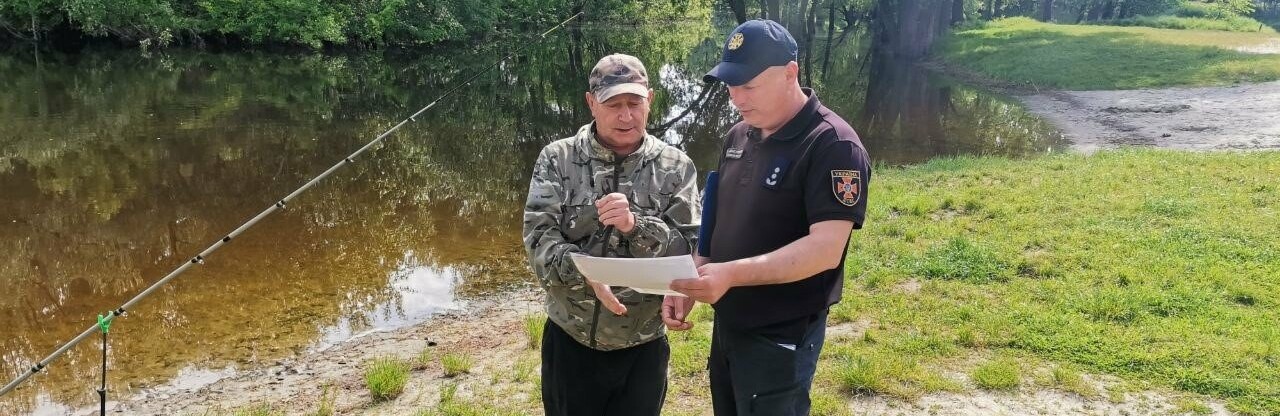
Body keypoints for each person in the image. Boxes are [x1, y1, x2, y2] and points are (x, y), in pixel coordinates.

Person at [667, 19, 871, 416]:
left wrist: (731, 275)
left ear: (790, 73)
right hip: (729, 325)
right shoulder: (738, 135)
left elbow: (825, 250)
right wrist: (696, 273)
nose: (736, 98)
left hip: (782, 332)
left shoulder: (833, 145)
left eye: (749, 85)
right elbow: (717, 214)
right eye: (730, 86)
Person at [523, 53, 701, 416]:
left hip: (643, 344)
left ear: (649, 99)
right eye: (613, 104)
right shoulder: (557, 159)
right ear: (592, 103)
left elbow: (690, 251)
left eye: (634, 103)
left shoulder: (676, 167)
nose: (626, 115)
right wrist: (582, 269)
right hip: (571, 340)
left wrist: (637, 226)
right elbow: (538, 238)